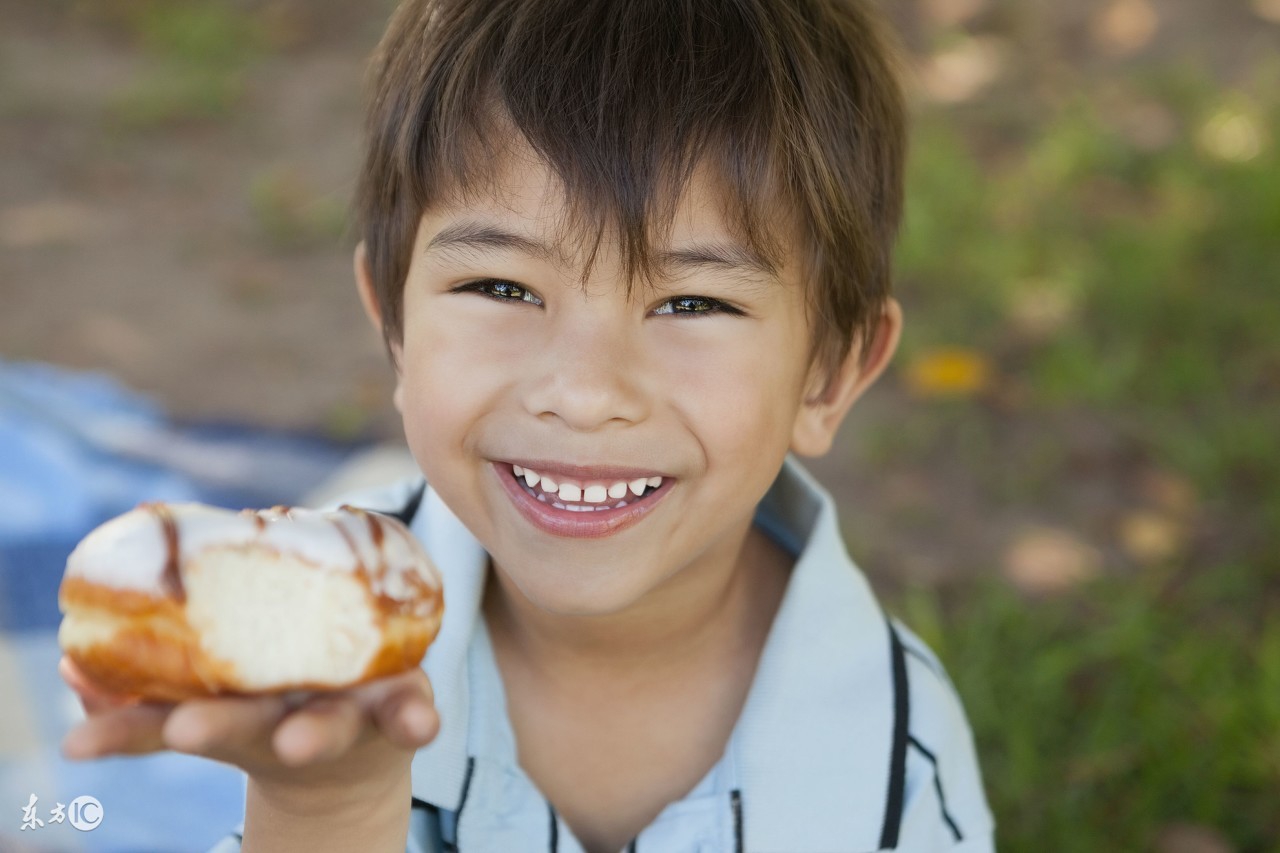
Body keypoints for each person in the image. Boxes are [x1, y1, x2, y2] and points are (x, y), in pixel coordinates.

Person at [60, 0, 996, 849]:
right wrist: (327, 806)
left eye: (692, 303)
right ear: (393, 324)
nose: (584, 393)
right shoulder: (302, 661)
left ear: (830, 374)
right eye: (500, 286)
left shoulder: (891, 759)